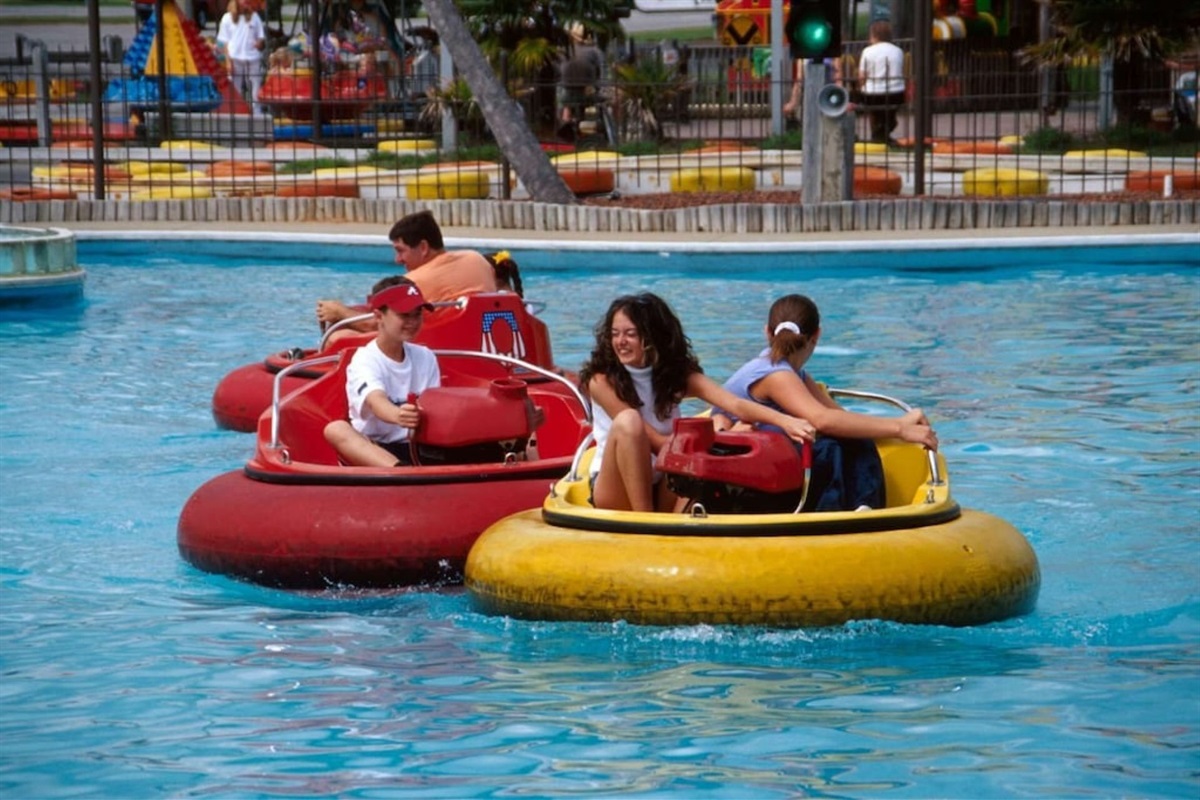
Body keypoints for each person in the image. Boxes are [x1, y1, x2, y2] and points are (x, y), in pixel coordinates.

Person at [579, 293, 816, 513]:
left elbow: (735, 404)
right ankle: (645, 522)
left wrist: (785, 421)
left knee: (723, 427)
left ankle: (680, 522)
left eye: (630, 334)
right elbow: (655, 443)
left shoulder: (676, 374)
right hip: (617, 487)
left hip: (662, 480)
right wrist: (720, 440)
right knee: (630, 421)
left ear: (653, 336)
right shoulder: (601, 381)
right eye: (615, 334)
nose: (620, 341)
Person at [712, 294, 938, 512]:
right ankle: (829, 515)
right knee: (827, 449)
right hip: (741, 470)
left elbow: (841, 419)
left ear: (767, 332)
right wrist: (900, 429)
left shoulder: (795, 374)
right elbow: (823, 420)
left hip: (770, 459)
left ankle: (864, 510)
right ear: (817, 335)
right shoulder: (773, 373)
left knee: (854, 439)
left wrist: (900, 424)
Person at [315, 210, 498, 335]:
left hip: (439, 347)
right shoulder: (477, 260)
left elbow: (379, 325)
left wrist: (339, 312)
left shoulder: (412, 284)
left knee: (338, 336)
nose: (397, 259)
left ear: (423, 247)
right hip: (482, 339)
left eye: (401, 251)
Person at [324, 276, 440, 467]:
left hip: (418, 446)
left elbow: (434, 406)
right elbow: (376, 401)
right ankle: (400, 472)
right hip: (376, 448)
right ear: (379, 316)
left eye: (417, 314)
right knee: (336, 429)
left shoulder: (425, 356)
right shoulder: (365, 359)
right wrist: (398, 415)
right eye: (404, 315)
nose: (413, 322)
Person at [857, 19, 906, 145]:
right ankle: (885, 130)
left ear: (874, 35)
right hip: (895, 93)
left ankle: (877, 134)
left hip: (873, 93)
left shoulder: (867, 51)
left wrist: (861, 88)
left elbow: (862, 75)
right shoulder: (898, 51)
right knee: (888, 113)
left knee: (874, 112)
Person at [216, 0, 267, 115]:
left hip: (252, 57)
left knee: (255, 85)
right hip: (235, 57)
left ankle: (256, 111)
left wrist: (259, 43)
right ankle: (237, 111)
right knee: (235, 87)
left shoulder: (254, 17)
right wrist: (228, 61)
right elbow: (224, 42)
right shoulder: (227, 18)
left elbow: (260, 37)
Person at [557, 24, 605, 142]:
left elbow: (560, 70)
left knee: (566, 102)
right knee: (593, 101)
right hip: (587, 92)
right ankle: (588, 129)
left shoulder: (565, 51)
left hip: (567, 92)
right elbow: (601, 71)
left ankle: (566, 121)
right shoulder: (594, 52)